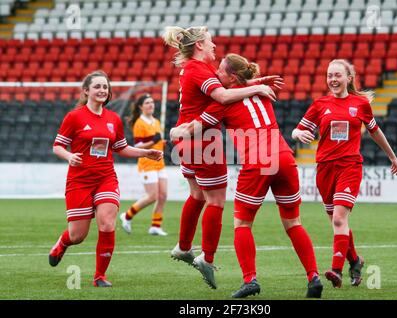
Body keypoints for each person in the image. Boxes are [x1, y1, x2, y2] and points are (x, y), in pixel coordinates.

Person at [170, 53, 323, 299]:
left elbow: (193, 128)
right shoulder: (261, 93)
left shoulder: (222, 103)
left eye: (220, 71)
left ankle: (250, 279)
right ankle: (313, 276)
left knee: (242, 225)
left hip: (258, 161)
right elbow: (245, 87)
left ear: (231, 77)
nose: (216, 74)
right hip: (284, 157)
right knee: (294, 223)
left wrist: (174, 130)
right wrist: (257, 83)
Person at [163, 26, 281, 289]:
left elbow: (223, 89)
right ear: (199, 46)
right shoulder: (199, 69)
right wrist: (256, 89)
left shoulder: (192, 69)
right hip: (202, 140)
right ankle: (207, 257)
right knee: (216, 200)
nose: (215, 46)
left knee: (197, 195)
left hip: (187, 139)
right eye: (211, 42)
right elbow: (223, 95)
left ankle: (183, 247)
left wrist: (255, 83)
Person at [292, 59, 397, 288]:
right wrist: (297, 135)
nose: (333, 79)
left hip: (350, 167)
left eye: (337, 75)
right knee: (335, 220)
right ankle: (355, 261)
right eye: (330, 75)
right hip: (324, 168)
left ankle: (336, 270)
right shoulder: (320, 104)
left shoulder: (360, 104)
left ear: (348, 78)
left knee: (340, 219)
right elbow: (298, 128)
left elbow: (375, 131)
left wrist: (392, 157)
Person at [49, 70, 163, 287]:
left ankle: (99, 276)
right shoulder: (74, 117)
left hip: (106, 178)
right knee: (78, 236)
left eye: (105, 87)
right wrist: (69, 156)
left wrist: (145, 152)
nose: (102, 90)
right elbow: (57, 146)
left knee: (107, 223)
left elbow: (121, 147)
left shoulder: (113, 119)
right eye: (97, 87)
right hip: (79, 181)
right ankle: (63, 243)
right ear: (86, 91)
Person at [119, 93, 168, 236]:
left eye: (152, 102)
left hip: (159, 162)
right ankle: (127, 215)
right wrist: (154, 141)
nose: (151, 105)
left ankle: (155, 226)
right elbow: (139, 145)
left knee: (163, 195)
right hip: (147, 163)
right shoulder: (139, 123)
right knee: (152, 196)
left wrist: (162, 143)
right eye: (147, 103)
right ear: (141, 107)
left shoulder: (156, 121)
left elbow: (156, 141)